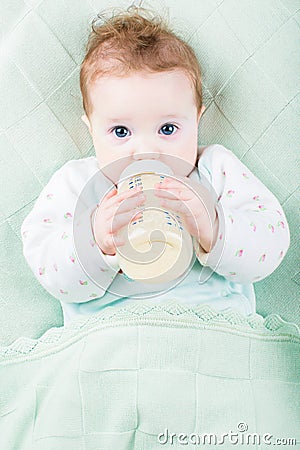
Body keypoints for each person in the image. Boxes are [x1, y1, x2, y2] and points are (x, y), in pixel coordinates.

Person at [21, 6, 290, 324]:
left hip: (214, 331)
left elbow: (272, 244)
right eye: (121, 132)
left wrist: (215, 227)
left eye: (167, 129)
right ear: (91, 129)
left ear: (197, 119)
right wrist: (95, 238)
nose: (146, 151)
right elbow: (47, 268)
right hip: (110, 341)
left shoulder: (215, 170)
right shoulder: (77, 183)